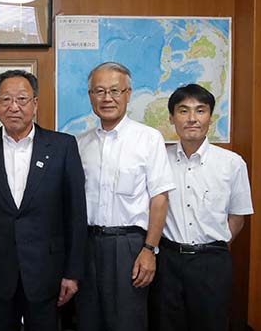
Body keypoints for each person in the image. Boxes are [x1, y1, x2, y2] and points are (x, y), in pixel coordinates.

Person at [0, 70, 87, 331]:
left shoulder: (62, 146)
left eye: (22, 98)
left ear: (35, 104)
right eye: (6, 100)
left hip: (48, 272)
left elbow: (75, 214)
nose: (14, 107)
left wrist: (72, 273)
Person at [76, 62, 175, 331]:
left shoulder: (148, 139)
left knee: (127, 321)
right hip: (87, 245)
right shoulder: (79, 143)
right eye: (99, 91)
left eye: (115, 90)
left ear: (128, 94)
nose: (107, 98)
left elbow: (160, 198)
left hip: (130, 246)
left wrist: (149, 250)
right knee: (87, 320)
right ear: (90, 97)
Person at [149, 84, 254, 331]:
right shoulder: (158, 160)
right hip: (168, 260)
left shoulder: (231, 163)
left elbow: (237, 218)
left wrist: (211, 248)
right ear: (172, 118)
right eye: (183, 111)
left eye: (200, 110)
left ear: (210, 116)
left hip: (212, 263)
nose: (192, 119)